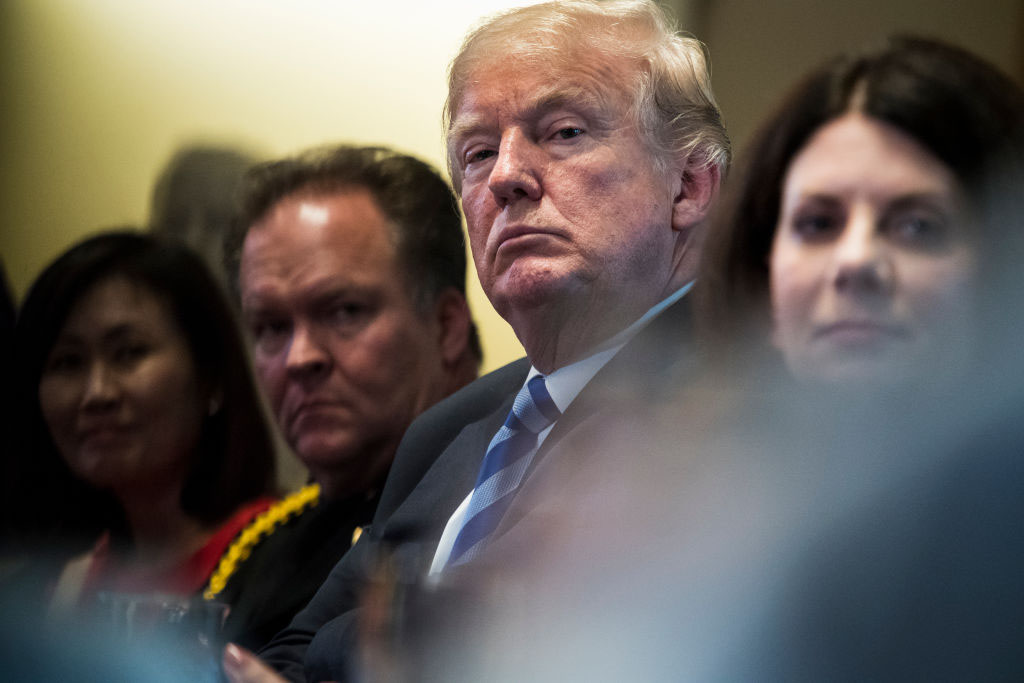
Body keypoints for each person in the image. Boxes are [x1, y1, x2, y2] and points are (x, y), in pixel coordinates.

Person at [221, 1, 728, 681]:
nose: (504, 176)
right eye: (478, 152)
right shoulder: (449, 428)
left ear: (690, 185)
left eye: (565, 131)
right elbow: (295, 646)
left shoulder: (733, 402)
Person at [210, 144, 481, 650]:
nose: (299, 358)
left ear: (446, 326)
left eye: (344, 311)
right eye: (270, 326)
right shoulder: (262, 546)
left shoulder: (508, 515)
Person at [699, 35, 1024, 391]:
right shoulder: (677, 444)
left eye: (917, 226)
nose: (856, 260)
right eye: (818, 223)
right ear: (762, 278)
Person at [6, 231, 277, 611]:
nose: (97, 393)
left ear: (211, 376)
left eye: (129, 353)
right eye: (67, 362)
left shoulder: (286, 556)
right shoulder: (52, 591)